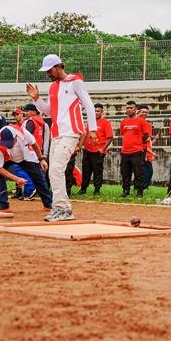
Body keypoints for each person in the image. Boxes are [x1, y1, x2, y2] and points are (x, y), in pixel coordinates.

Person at [26, 54, 97, 221]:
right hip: (57, 134)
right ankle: (61, 208)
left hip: (71, 132)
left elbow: (88, 104)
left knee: (57, 170)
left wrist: (92, 128)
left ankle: (63, 209)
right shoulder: (53, 87)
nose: (48, 74)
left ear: (59, 67)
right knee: (53, 171)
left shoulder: (75, 82)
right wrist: (36, 99)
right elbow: (50, 112)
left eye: (49, 70)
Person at [79, 102, 113, 195]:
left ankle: (97, 189)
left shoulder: (105, 123)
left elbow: (110, 137)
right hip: (88, 150)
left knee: (97, 171)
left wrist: (103, 149)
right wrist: (81, 146)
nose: (95, 113)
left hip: (97, 151)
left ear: (102, 111)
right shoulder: (91, 122)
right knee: (86, 170)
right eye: (94, 111)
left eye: (97, 111)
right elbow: (85, 134)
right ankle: (83, 188)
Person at [118, 100, 151, 198]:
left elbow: (146, 136)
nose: (129, 110)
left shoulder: (141, 121)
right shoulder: (123, 122)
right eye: (127, 108)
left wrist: (140, 146)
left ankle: (139, 192)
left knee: (138, 173)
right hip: (125, 151)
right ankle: (126, 190)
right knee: (125, 173)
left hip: (137, 151)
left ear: (135, 109)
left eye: (131, 108)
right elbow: (123, 134)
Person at [138, 105, 156, 190]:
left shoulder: (148, 124)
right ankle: (142, 188)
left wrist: (154, 140)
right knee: (146, 172)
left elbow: (148, 141)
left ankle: (143, 187)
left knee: (148, 172)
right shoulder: (137, 123)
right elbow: (141, 142)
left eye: (146, 112)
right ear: (138, 112)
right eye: (143, 112)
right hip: (142, 152)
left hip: (147, 152)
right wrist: (151, 152)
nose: (144, 113)